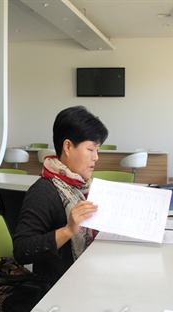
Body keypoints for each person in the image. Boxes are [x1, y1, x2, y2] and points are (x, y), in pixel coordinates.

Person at [13, 106, 108, 285]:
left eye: (98, 150)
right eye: (90, 149)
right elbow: (21, 250)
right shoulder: (44, 190)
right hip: (59, 287)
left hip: (88, 275)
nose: (96, 157)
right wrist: (68, 230)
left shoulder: (84, 187)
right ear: (68, 147)